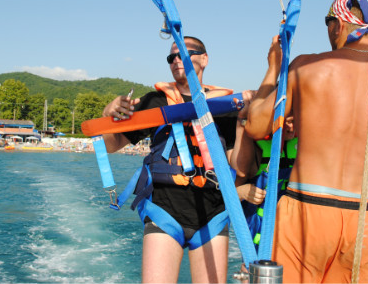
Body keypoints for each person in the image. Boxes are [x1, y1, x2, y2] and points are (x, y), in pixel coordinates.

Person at [240, 0, 368, 283]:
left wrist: (274, 68)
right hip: (365, 217)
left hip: (306, 210)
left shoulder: (307, 67)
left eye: (327, 23)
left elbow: (256, 125)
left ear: (339, 24)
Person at [102, 36, 261, 283]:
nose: (176, 60)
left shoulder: (224, 107)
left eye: (185, 54)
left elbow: (240, 167)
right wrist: (108, 114)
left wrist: (242, 124)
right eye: (171, 57)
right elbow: (112, 145)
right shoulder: (154, 102)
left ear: (204, 59)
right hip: (164, 210)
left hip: (213, 213)